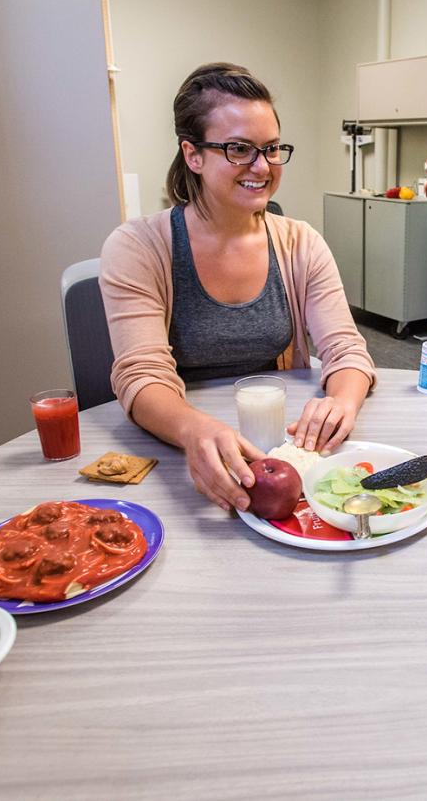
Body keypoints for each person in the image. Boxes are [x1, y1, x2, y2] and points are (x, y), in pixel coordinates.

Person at [100, 63, 375, 513]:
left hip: (277, 447)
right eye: (239, 149)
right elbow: (140, 375)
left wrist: (342, 401)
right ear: (193, 155)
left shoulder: (301, 242)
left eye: (270, 149)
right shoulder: (136, 247)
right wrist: (195, 431)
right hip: (178, 447)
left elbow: (346, 350)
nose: (262, 167)